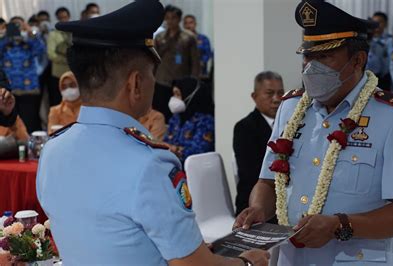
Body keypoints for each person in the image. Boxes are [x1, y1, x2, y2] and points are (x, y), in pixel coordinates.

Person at [36, 1, 269, 265]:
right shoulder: (150, 164)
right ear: (135, 84)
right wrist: (248, 262)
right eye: (151, 74)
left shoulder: (52, 150)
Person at [234, 1, 393, 265]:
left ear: (358, 60)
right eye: (307, 56)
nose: (311, 67)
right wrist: (259, 209)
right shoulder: (291, 107)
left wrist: (340, 225)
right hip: (293, 259)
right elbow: (268, 182)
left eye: (324, 56)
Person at [233, 71, 284, 215]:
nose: (276, 99)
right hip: (255, 205)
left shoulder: (292, 124)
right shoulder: (244, 128)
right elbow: (251, 174)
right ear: (254, 97)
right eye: (269, 93)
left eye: (280, 93)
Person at [153, 5, 200, 122]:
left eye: (173, 18)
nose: (170, 21)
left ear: (179, 19)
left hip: (181, 82)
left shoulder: (188, 37)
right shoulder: (159, 37)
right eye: (167, 18)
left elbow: (195, 62)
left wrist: (194, 82)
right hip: (162, 81)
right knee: (162, 112)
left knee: (181, 113)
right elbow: (153, 59)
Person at [0, 21, 45, 132]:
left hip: (28, 89)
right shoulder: (4, 45)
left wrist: (30, 32)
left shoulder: (28, 43)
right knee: (11, 122)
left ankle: (33, 145)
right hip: (8, 91)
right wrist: (6, 37)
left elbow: (41, 49)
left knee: (31, 119)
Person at [164, 77, 214, 162]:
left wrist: (174, 150)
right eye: (173, 94)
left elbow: (200, 150)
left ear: (189, 95)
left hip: (195, 170)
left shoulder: (205, 121)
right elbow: (166, 143)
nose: (174, 98)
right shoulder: (175, 118)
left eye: (178, 94)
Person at [47, 7, 71, 107]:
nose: (63, 20)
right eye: (60, 18)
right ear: (57, 19)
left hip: (72, 72)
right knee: (59, 101)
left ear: (69, 17)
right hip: (58, 74)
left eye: (65, 17)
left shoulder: (73, 32)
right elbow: (51, 54)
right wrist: (67, 59)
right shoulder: (53, 34)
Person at [368, 12, 393, 91]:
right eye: (374, 22)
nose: (376, 24)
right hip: (366, 78)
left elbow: (392, 61)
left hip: (383, 78)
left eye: (380, 22)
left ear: (385, 24)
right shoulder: (366, 38)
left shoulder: (390, 40)